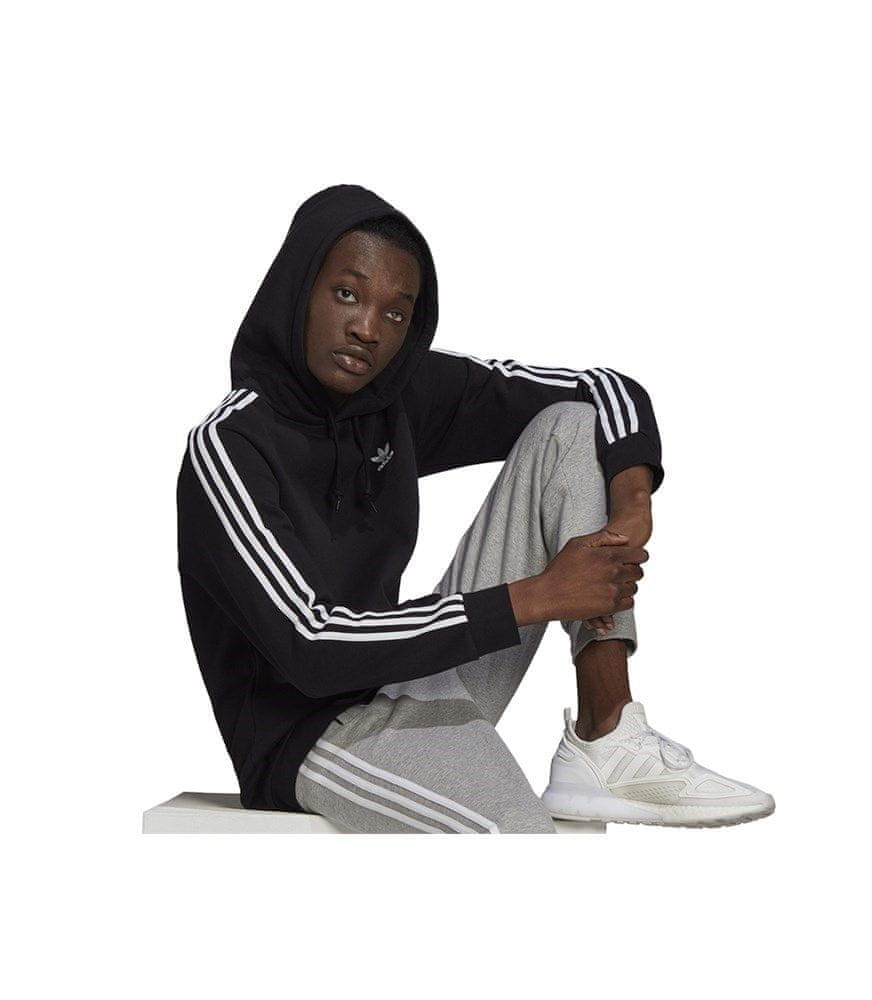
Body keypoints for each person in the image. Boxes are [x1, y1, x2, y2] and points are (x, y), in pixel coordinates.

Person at [176, 183, 775, 833]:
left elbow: (605, 391)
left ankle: (606, 735)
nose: (368, 328)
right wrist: (538, 597)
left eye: (396, 313)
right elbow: (311, 642)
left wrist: (633, 504)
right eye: (347, 294)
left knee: (570, 428)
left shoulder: (396, 396)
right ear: (299, 289)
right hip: (312, 738)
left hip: (404, 681)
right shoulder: (230, 446)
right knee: (518, 839)